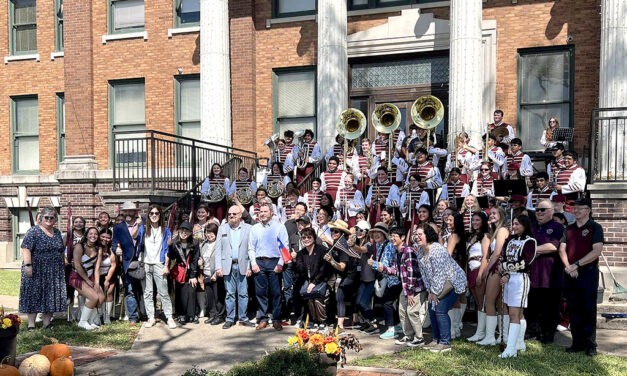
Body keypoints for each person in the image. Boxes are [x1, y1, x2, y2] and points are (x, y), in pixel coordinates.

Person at [558, 198, 604, 357]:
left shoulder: (595, 227)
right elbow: (562, 250)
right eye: (574, 208)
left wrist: (576, 265)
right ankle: (576, 343)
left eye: (579, 208)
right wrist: (568, 267)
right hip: (570, 273)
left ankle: (590, 345)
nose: (575, 211)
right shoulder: (568, 229)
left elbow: (596, 251)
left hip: (588, 273)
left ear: (588, 210)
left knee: (588, 310)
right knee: (573, 308)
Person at [416, 224, 467, 353]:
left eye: (420, 234)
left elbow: (441, 274)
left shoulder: (437, 249)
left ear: (428, 235)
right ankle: (435, 340)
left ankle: (445, 343)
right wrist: (430, 291)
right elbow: (425, 275)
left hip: (453, 282)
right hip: (438, 285)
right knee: (431, 307)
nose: (417, 237)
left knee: (440, 308)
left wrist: (435, 293)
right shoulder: (420, 252)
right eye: (416, 235)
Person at [19, 207, 67, 330]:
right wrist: (28, 265)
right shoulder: (33, 231)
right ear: (41, 218)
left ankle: (47, 323)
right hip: (36, 269)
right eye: (46, 217)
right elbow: (26, 248)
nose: (49, 220)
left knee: (51, 296)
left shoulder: (56, 232)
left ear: (56, 219)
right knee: (33, 294)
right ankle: (31, 325)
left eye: (52, 217)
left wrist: (63, 262)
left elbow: (60, 250)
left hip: (54, 270)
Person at [498, 215, 537, 358]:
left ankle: (511, 349)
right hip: (510, 278)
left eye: (517, 224)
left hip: (521, 279)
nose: (514, 227)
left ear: (525, 225)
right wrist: (506, 274)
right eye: (513, 224)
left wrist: (504, 266)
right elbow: (505, 257)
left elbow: (525, 262)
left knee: (514, 314)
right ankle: (520, 343)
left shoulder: (530, 241)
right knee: (518, 314)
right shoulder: (511, 240)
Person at [526, 199, 564, 343]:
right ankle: (532, 332)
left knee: (551, 308)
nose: (539, 212)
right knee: (533, 306)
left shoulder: (557, 227)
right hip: (534, 274)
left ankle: (548, 335)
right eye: (537, 210)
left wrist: (532, 250)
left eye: (543, 210)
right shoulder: (532, 227)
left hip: (551, 276)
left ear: (552, 211)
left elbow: (553, 246)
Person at [248, 203, 289, 330]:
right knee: (261, 292)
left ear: (272, 213)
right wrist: (253, 263)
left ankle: (276, 319)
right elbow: (251, 248)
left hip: (274, 262)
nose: (263, 213)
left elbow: (285, 247)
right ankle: (264, 318)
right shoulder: (254, 228)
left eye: (265, 211)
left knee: (276, 293)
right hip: (259, 262)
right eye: (261, 211)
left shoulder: (280, 227)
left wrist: (280, 263)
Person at [136, 205, 176, 329]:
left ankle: (169, 317)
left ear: (160, 215)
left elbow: (167, 250)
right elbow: (134, 239)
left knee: (163, 292)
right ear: (148, 215)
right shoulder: (143, 229)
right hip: (146, 263)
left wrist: (166, 266)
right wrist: (137, 225)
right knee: (147, 292)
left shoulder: (165, 230)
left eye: (157, 213)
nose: (154, 215)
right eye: (151, 213)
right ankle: (151, 317)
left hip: (159, 264)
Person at [214, 204, 254, 329]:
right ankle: (230, 318)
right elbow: (218, 249)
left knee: (243, 293)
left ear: (240, 215)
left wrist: (249, 266)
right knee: (229, 294)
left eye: (234, 214)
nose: (231, 216)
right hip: (227, 266)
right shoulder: (222, 228)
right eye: (229, 214)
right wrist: (218, 267)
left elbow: (251, 248)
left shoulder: (249, 228)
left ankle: (243, 318)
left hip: (242, 264)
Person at [477, 206, 510, 346]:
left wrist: (487, 268)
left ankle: (491, 336)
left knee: (489, 300)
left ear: (501, 215)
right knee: (498, 302)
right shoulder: (495, 231)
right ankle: (503, 335)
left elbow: (497, 252)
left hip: (497, 267)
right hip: (497, 267)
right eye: (490, 214)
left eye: (494, 213)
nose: (491, 215)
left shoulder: (502, 230)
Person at [391, 226, 427, 347]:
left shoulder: (408, 251)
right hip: (406, 287)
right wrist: (381, 267)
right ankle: (408, 335)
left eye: (395, 236)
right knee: (402, 311)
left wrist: (410, 292)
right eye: (391, 236)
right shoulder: (398, 252)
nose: (392, 238)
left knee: (412, 312)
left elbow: (412, 273)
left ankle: (419, 338)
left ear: (402, 238)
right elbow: (397, 271)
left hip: (415, 288)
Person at [367, 222, 402, 338]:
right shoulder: (379, 245)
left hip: (395, 279)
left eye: (379, 232)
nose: (376, 234)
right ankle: (396, 325)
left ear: (384, 234)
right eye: (374, 232)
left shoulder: (389, 246)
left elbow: (384, 266)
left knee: (387, 302)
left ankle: (391, 330)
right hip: (389, 279)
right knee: (389, 302)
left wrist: (373, 264)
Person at [112, 201, 143, 326]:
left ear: (135, 212)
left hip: (143, 260)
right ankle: (133, 317)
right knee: (130, 290)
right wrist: (116, 250)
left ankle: (147, 314)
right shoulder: (119, 228)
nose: (128, 213)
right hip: (128, 263)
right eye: (126, 211)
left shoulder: (144, 223)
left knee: (146, 290)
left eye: (130, 211)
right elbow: (114, 244)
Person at [325, 220, 359, 332]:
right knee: (351, 295)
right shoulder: (337, 243)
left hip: (351, 274)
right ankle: (355, 320)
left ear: (342, 234)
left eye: (336, 231)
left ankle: (340, 325)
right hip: (348, 274)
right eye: (332, 231)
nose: (333, 233)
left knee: (340, 294)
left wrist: (331, 261)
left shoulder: (342, 245)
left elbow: (342, 266)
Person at [295, 227, 331, 328]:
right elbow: (300, 270)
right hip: (308, 281)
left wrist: (314, 282)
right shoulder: (301, 253)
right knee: (309, 298)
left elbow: (324, 269)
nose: (306, 239)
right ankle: (315, 320)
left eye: (309, 237)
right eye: (304, 237)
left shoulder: (322, 250)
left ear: (314, 238)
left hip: (321, 280)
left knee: (317, 299)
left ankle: (322, 322)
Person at [70, 227, 105, 330]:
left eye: (95, 234)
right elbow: (77, 266)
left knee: (101, 297)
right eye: (91, 233)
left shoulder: (99, 249)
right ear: (86, 235)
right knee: (93, 297)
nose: (93, 236)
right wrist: (88, 281)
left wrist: (97, 283)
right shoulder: (79, 246)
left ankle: (90, 321)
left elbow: (97, 267)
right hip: (76, 276)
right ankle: (82, 322)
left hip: (91, 276)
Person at [441, 213, 467, 339]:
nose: (448, 222)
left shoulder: (453, 236)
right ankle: (455, 329)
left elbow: (448, 254)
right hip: (459, 266)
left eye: (451, 220)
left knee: (451, 299)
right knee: (456, 299)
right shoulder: (459, 235)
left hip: (452, 267)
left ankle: (452, 330)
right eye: (447, 220)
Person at [466, 212, 491, 342]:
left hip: (479, 269)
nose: (475, 222)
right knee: (478, 303)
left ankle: (484, 332)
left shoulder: (485, 236)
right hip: (470, 269)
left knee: (483, 303)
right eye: (473, 220)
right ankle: (480, 331)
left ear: (483, 222)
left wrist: (481, 274)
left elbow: (485, 257)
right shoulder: (471, 236)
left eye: (478, 220)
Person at [168, 221, 200, 325]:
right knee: (180, 292)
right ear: (178, 231)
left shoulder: (195, 243)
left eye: (187, 231)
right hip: (180, 270)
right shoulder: (174, 243)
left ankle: (192, 314)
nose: (184, 232)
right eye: (182, 230)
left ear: (191, 233)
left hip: (191, 270)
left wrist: (193, 275)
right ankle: (181, 314)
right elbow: (171, 256)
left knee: (191, 291)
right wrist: (169, 246)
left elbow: (195, 260)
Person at [199, 223, 225, 325]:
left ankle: (220, 315)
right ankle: (212, 314)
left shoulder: (220, 244)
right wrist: (200, 262)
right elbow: (203, 257)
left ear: (216, 233)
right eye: (207, 232)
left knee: (218, 296)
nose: (209, 235)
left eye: (211, 233)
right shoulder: (204, 244)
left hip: (217, 274)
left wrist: (216, 274)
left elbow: (223, 259)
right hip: (206, 273)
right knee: (209, 296)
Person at [98, 228, 117, 325]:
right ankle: (99, 315)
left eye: (108, 238)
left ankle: (107, 316)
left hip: (108, 274)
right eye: (103, 237)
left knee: (109, 292)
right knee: (99, 294)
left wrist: (107, 279)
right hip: (96, 275)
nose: (105, 239)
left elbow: (113, 265)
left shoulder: (111, 250)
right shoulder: (95, 248)